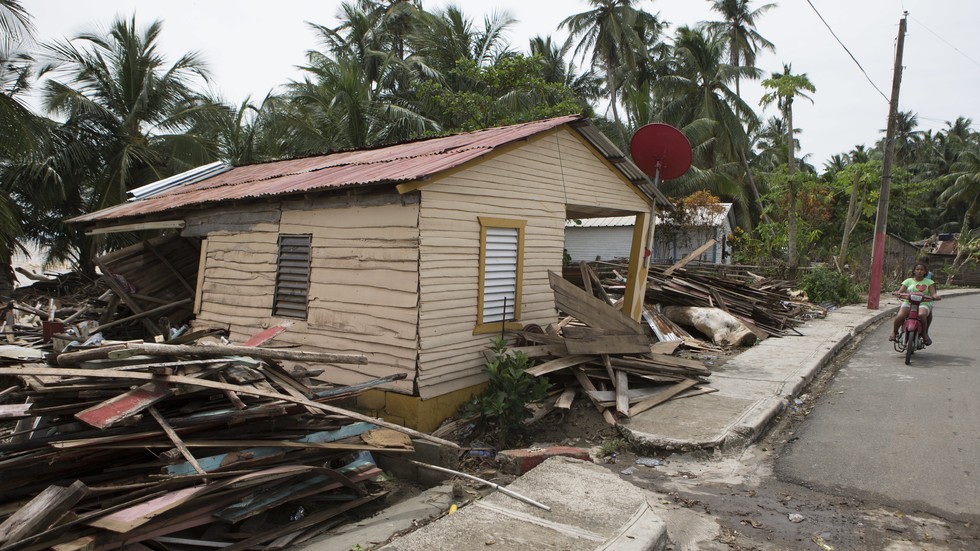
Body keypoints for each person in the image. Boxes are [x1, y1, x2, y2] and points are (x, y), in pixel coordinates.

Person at [889, 262, 939, 345]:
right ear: (914, 271)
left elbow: (933, 293)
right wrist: (898, 293)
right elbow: (900, 291)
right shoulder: (908, 281)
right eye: (917, 269)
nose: (919, 271)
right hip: (908, 302)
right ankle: (894, 332)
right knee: (900, 316)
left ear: (925, 272)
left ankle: (924, 333)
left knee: (922, 314)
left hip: (924, 303)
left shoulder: (929, 282)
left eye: (922, 270)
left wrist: (935, 296)